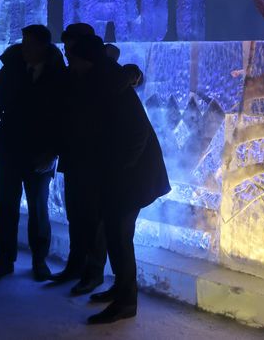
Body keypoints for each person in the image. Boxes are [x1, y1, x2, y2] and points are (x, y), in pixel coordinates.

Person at [86, 41, 170, 325]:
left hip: (131, 178)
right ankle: (121, 290)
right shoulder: (110, 82)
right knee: (116, 235)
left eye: (70, 55)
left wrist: (120, 168)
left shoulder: (110, 86)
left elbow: (137, 134)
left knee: (120, 237)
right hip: (126, 176)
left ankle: (126, 301)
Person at [0, 24, 65, 285]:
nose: (24, 48)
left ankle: (39, 261)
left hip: (39, 154)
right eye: (24, 44)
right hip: (9, 150)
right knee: (7, 209)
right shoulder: (11, 70)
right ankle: (5, 261)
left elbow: (64, 119)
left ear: (43, 46)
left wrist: (52, 152)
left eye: (30, 44)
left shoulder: (58, 75)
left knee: (39, 210)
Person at [49, 23, 109, 295]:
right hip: (74, 158)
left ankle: (93, 273)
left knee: (94, 220)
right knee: (76, 216)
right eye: (66, 47)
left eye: (71, 47)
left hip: (95, 162)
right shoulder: (70, 73)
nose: (67, 52)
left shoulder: (101, 73)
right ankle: (76, 267)